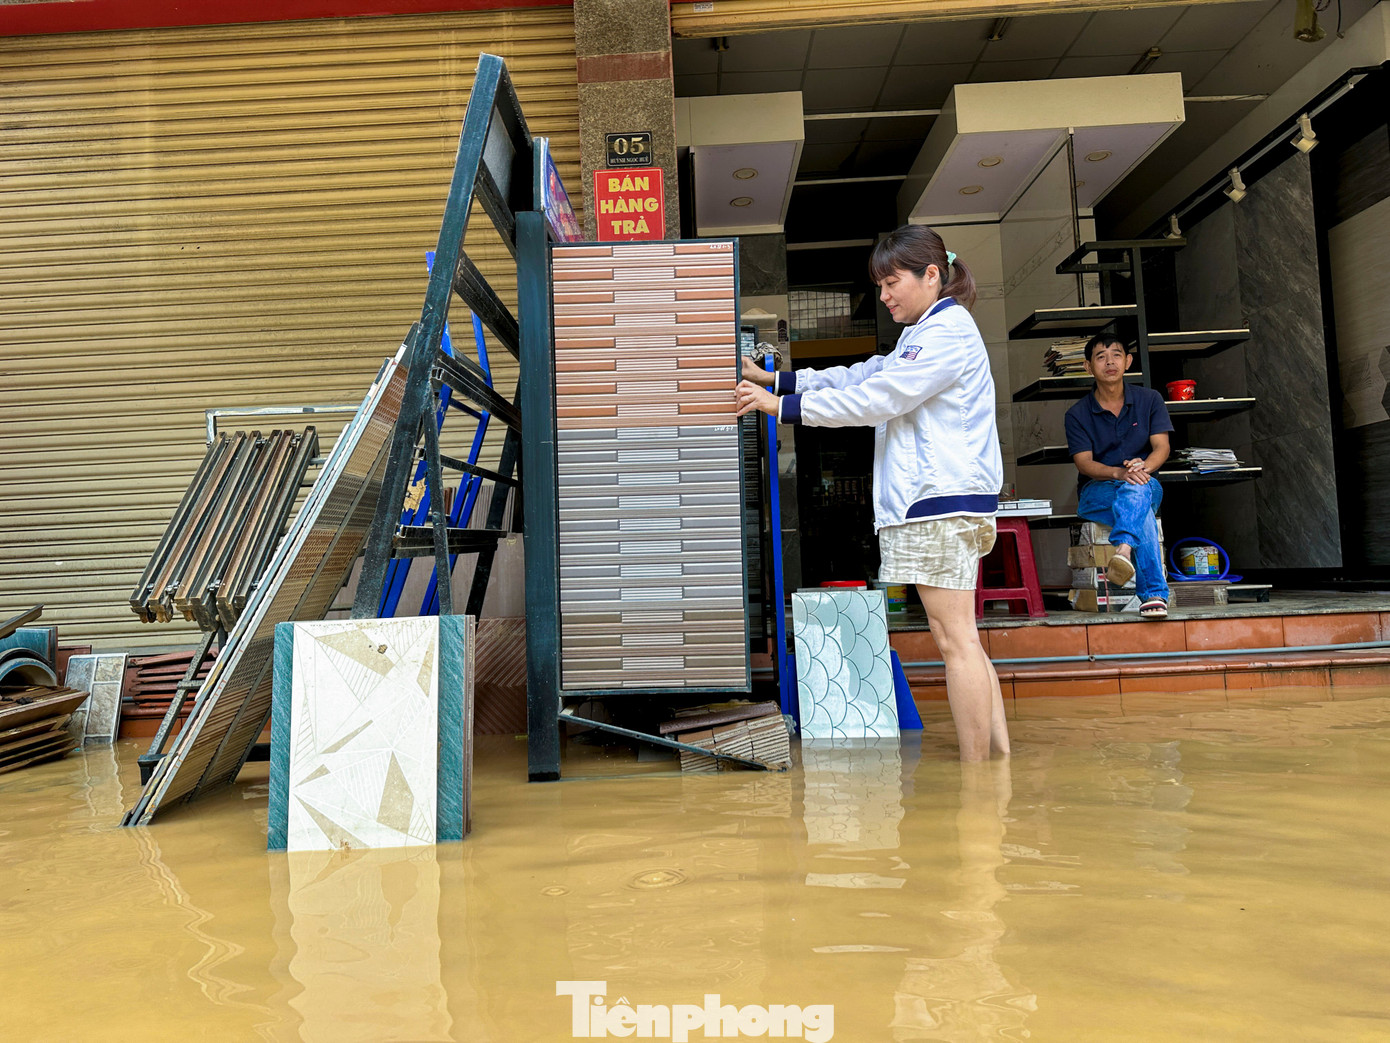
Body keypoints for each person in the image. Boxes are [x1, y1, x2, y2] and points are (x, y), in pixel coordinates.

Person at [734, 225, 1008, 762]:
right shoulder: (929, 330)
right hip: (943, 503)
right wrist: (779, 382)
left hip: (939, 504)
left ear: (931, 275)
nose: (883, 296)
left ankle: (979, 780)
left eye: (890, 283)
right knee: (964, 640)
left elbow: (879, 397)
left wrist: (781, 408)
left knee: (955, 642)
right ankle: (996, 763)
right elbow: (865, 373)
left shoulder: (945, 332)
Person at [1063, 335, 1173, 619]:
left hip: (1146, 481)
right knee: (1140, 509)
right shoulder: (1077, 414)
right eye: (1101, 356)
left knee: (1136, 490)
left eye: (1116, 354)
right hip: (1097, 491)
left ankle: (1123, 552)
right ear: (1088, 367)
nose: (1109, 362)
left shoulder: (1150, 399)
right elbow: (1084, 463)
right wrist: (1119, 473)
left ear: (1128, 361)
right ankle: (1152, 595)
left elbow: (1162, 448)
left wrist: (1142, 468)